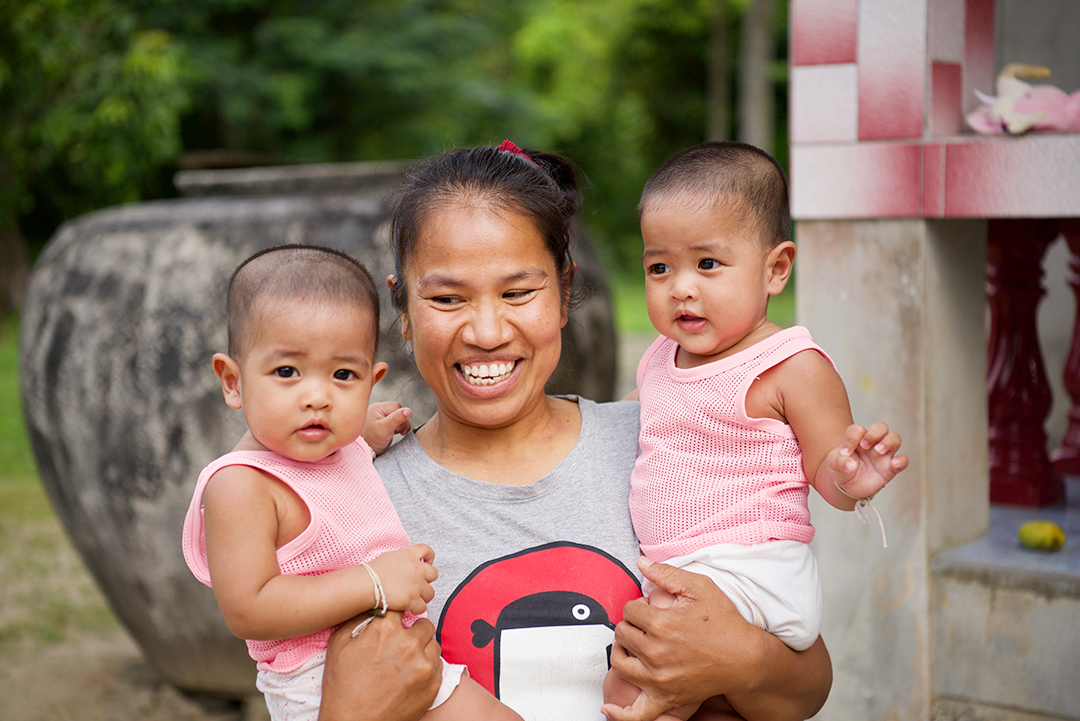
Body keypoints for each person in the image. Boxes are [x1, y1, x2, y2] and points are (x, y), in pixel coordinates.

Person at [313, 141, 834, 721]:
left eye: (517, 293)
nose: (487, 331)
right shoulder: (359, 506)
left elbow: (806, 682)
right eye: (446, 298)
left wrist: (744, 660)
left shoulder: (665, 447)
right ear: (403, 309)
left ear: (564, 292)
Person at [601, 141, 908, 721]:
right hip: (687, 571)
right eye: (658, 267)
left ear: (775, 269)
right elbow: (649, 432)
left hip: (749, 568)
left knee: (635, 686)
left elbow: (830, 478)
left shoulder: (790, 365)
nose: (680, 287)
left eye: (707, 264)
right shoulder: (659, 357)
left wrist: (852, 478)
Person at [180, 245, 522, 721]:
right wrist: (372, 582)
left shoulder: (333, 448)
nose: (317, 396)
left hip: (408, 653)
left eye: (343, 375)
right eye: (286, 372)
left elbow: (326, 474)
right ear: (233, 381)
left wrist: (361, 435)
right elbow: (249, 608)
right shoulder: (242, 486)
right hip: (319, 681)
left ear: (371, 380)